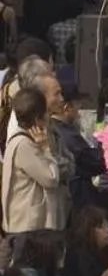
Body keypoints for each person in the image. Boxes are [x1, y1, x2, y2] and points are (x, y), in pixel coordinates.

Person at [2, 87, 71, 237]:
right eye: (45, 114)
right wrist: (46, 148)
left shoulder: (25, 141)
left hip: (29, 227)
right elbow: (50, 178)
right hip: (28, 227)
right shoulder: (24, 145)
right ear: (37, 119)